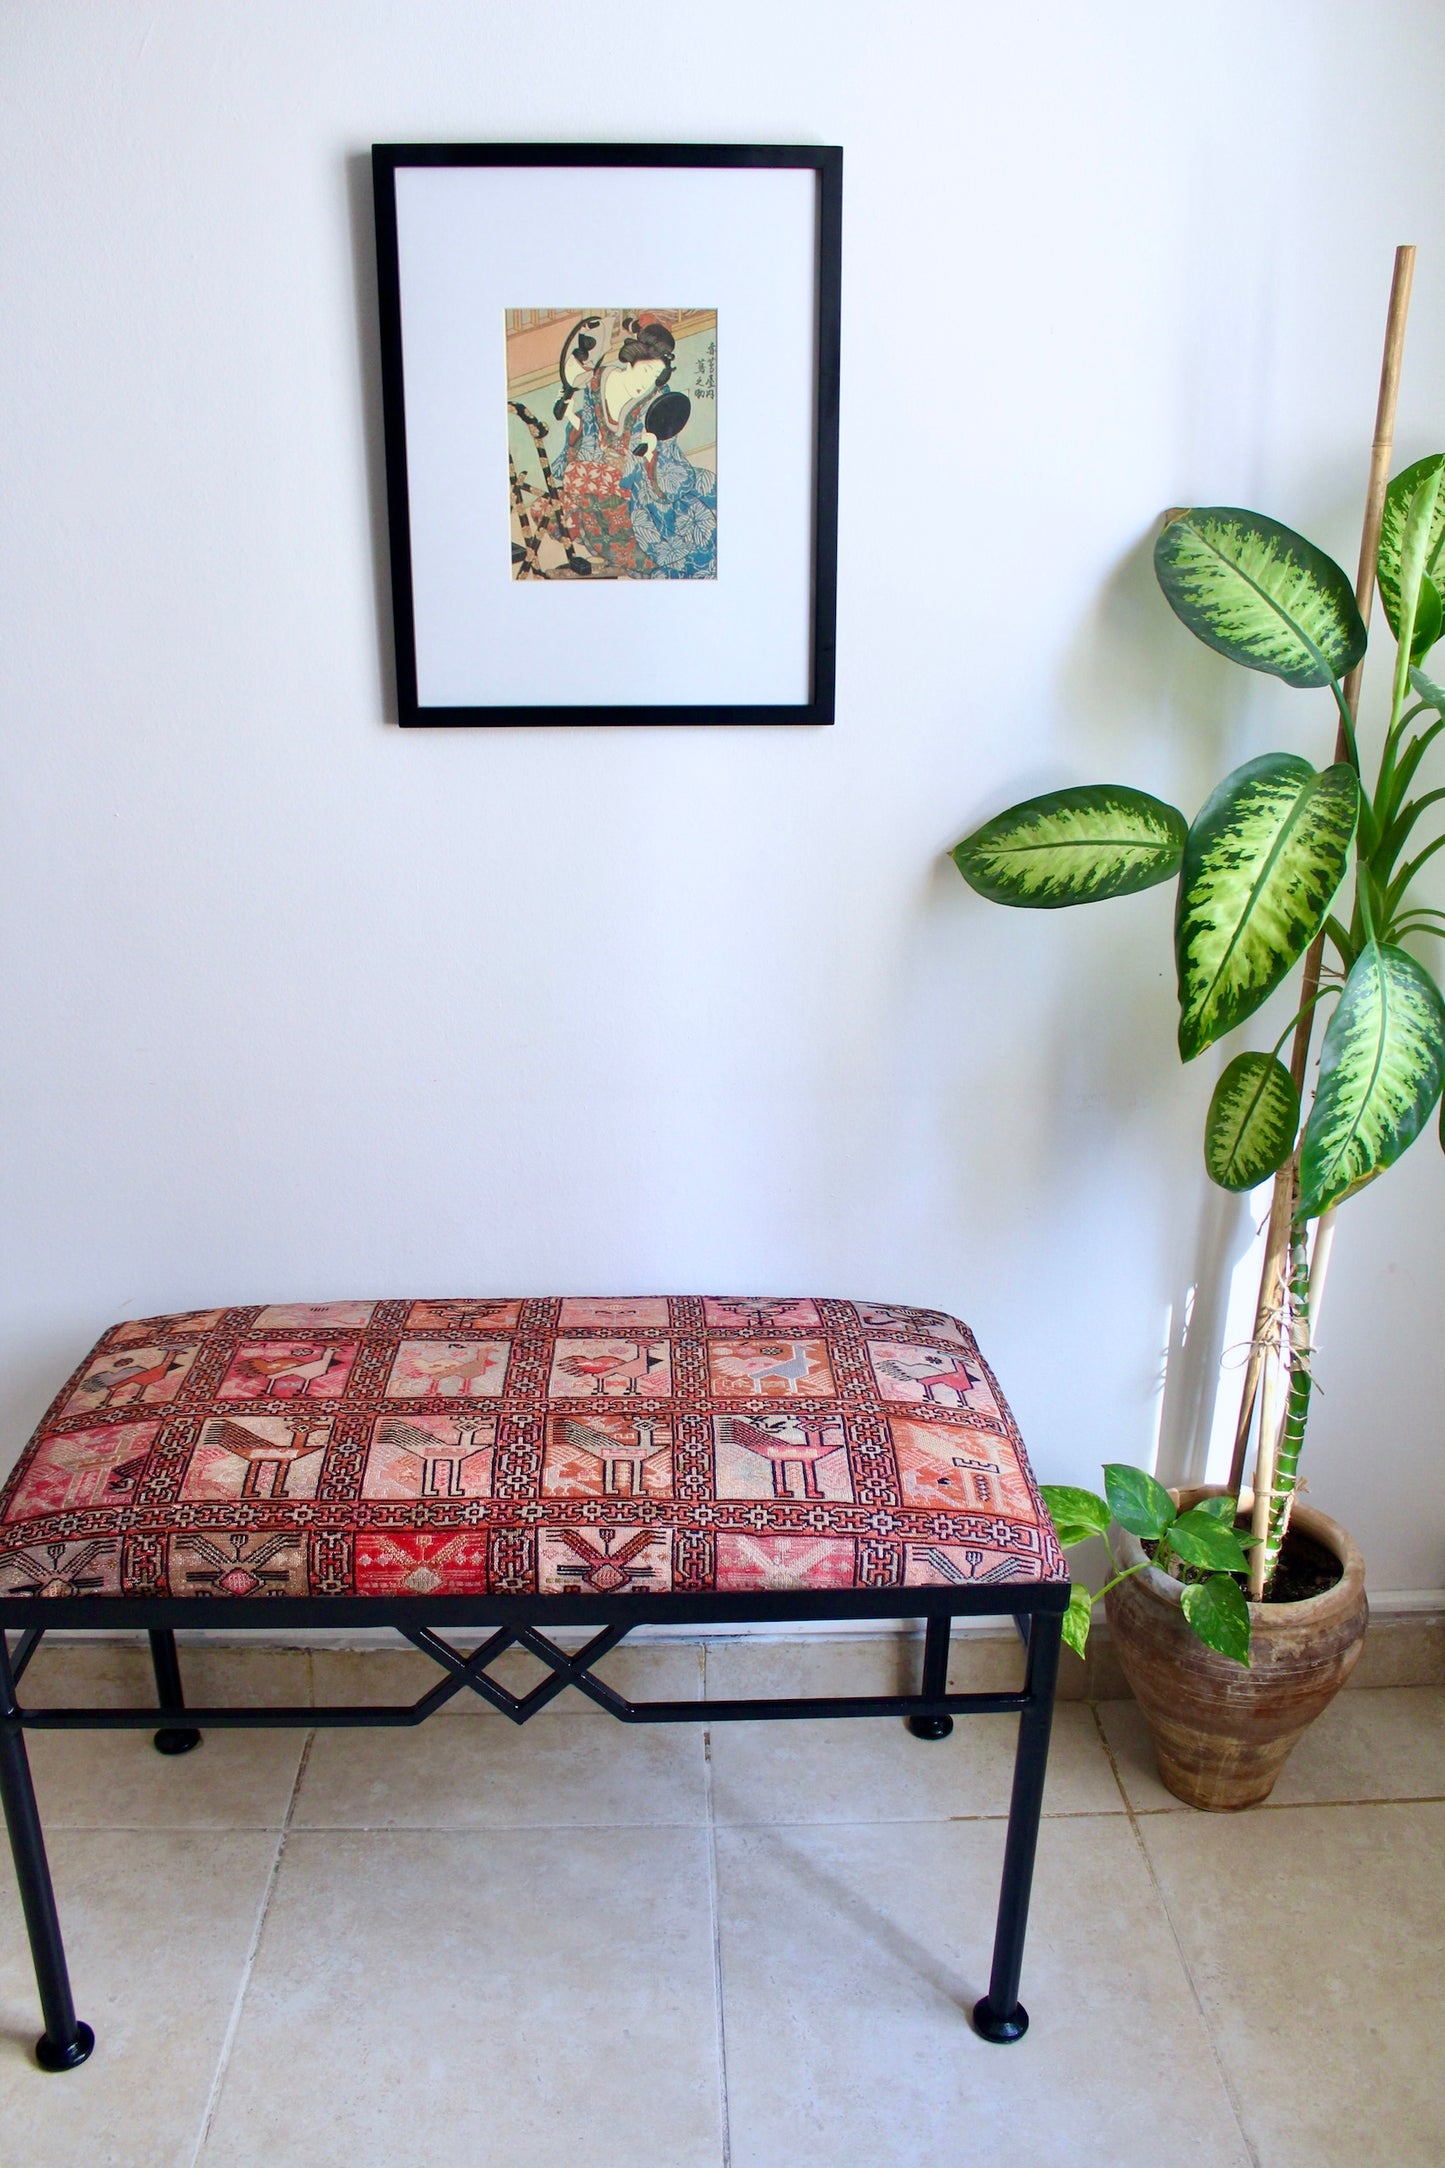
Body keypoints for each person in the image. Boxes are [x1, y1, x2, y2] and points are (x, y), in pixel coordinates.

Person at [549, 318, 716, 579]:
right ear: (631, 361)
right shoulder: (598, 381)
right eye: (646, 371)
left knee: (696, 518)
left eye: (655, 376)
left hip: (639, 480)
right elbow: (591, 432)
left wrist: (650, 451)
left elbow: (663, 444)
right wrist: (574, 420)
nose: (647, 381)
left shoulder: (657, 397)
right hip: (601, 473)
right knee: (580, 479)